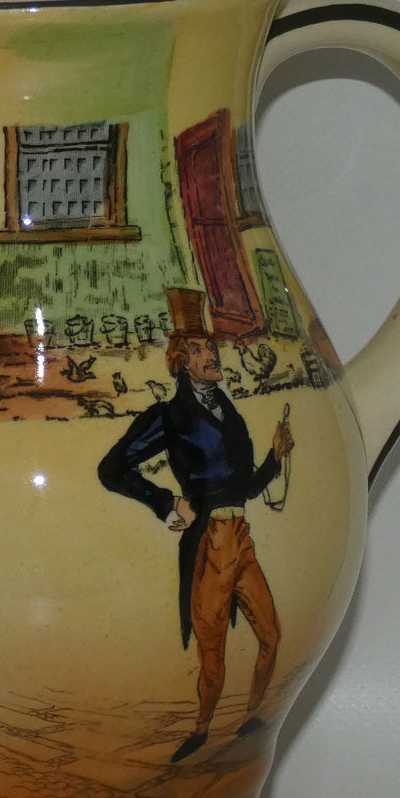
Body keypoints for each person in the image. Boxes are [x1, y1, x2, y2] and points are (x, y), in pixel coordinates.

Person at [98, 289, 293, 763]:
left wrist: (275, 457)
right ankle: (202, 729)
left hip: (241, 539)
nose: (213, 355)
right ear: (181, 361)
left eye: (212, 347)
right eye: (202, 349)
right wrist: (166, 502)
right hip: (209, 544)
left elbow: (244, 488)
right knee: (213, 653)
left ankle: (251, 717)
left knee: (271, 636)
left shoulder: (230, 413)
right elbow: (112, 469)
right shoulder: (169, 417)